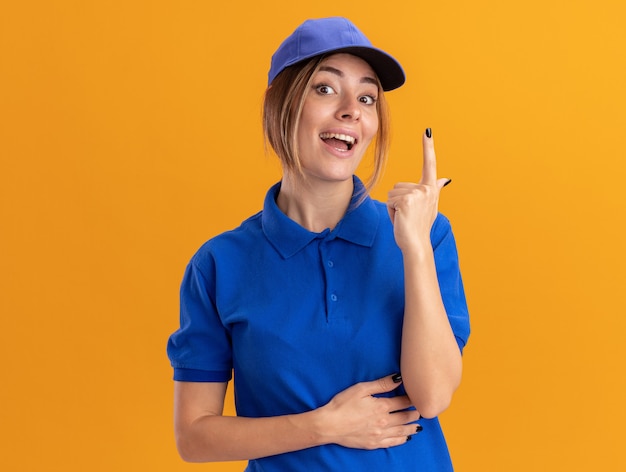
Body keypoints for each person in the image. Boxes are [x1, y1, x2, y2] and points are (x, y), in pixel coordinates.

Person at [167, 16, 470, 471]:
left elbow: (433, 396)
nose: (352, 109)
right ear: (279, 106)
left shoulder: (425, 235)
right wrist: (326, 425)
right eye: (326, 89)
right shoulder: (219, 264)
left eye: (367, 97)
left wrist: (416, 249)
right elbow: (194, 436)